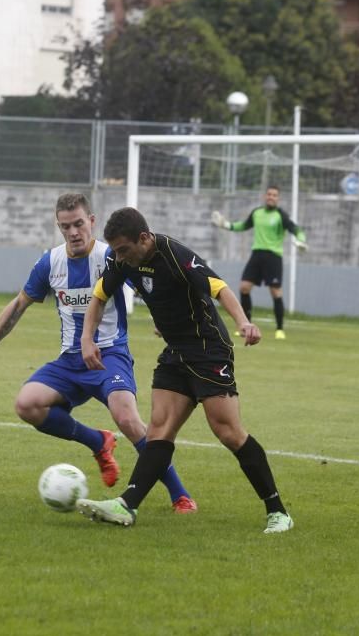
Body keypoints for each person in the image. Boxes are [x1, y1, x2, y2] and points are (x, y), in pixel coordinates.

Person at [0, 194, 197, 513]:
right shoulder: (50, 262)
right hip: (70, 360)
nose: (73, 232)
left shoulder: (113, 256)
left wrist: (165, 322)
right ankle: (98, 442)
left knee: (127, 418)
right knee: (27, 405)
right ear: (59, 227)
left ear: (91, 221)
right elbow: (18, 305)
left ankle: (180, 494)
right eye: (66, 226)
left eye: (79, 224)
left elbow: (151, 286)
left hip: (110, 355)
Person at [75, 207, 294, 534]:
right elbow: (100, 294)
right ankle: (126, 506)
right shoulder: (122, 261)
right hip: (176, 352)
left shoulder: (176, 255)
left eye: (124, 249)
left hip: (208, 350)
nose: (119, 257)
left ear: (144, 238)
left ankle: (278, 512)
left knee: (228, 432)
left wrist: (244, 322)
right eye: (115, 251)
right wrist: (87, 338)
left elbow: (219, 288)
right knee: (160, 430)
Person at [211, 185, 307, 340]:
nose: (271, 197)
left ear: (278, 198)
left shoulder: (281, 215)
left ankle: (280, 329)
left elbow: (296, 229)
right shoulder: (257, 213)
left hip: (273, 256)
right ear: (265, 196)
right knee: (244, 288)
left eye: (274, 195)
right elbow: (243, 225)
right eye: (269, 194)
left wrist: (301, 241)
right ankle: (245, 325)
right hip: (257, 254)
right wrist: (226, 225)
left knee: (275, 292)